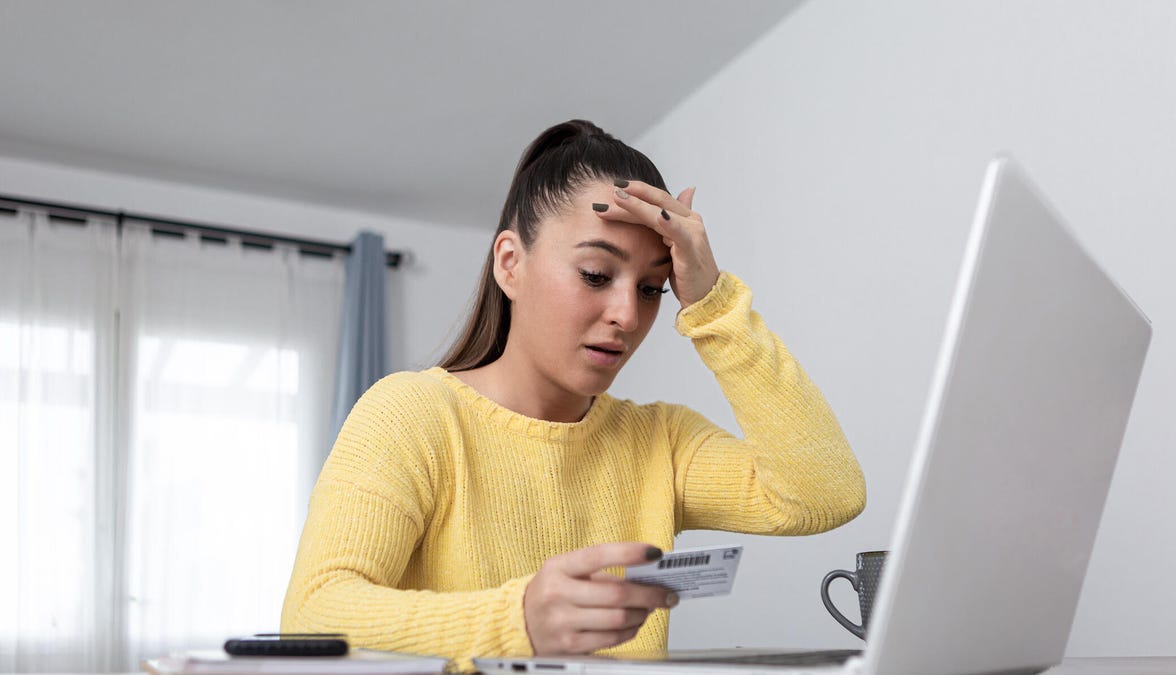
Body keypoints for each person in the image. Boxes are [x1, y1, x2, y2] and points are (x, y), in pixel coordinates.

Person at [280, 119, 866, 671]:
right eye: (594, 274)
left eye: (653, 288)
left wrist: (712, 302)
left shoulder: (660, 442)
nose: (627, 314)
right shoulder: (412, 414)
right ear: (510, 265)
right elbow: (312, 619)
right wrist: (519, 622)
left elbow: (823, 494)